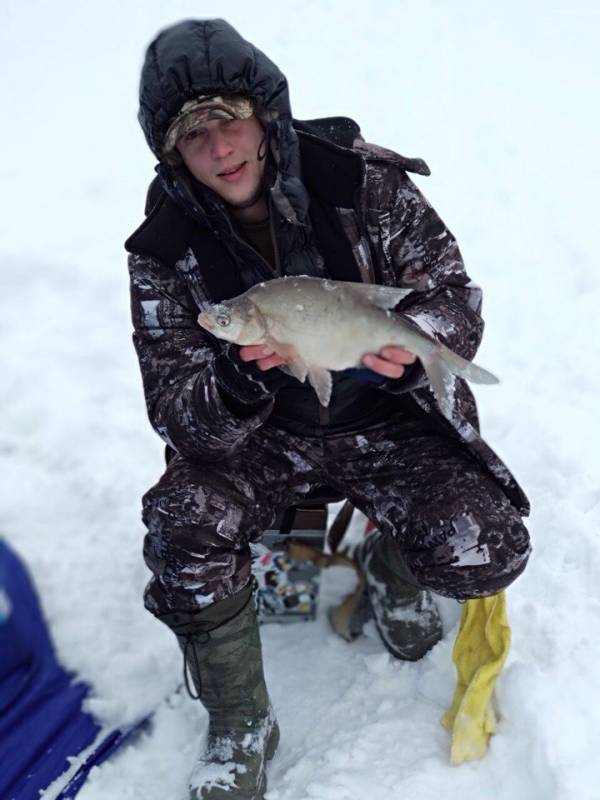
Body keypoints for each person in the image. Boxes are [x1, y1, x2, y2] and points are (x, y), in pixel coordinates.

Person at [126, 18, 531, 800]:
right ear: (172, 152)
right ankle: (242, 721)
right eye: (192, 134)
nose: (219, 148)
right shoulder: (162, 248)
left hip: (386, 422)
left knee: (485, 549)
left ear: (266, 116)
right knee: (181, 534)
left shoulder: (360, 180)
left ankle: (390, 562)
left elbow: (453, 293)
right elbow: (177, 412)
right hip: (264, 439)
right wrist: (241, 385)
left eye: (230, 120)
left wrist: (418, 348)